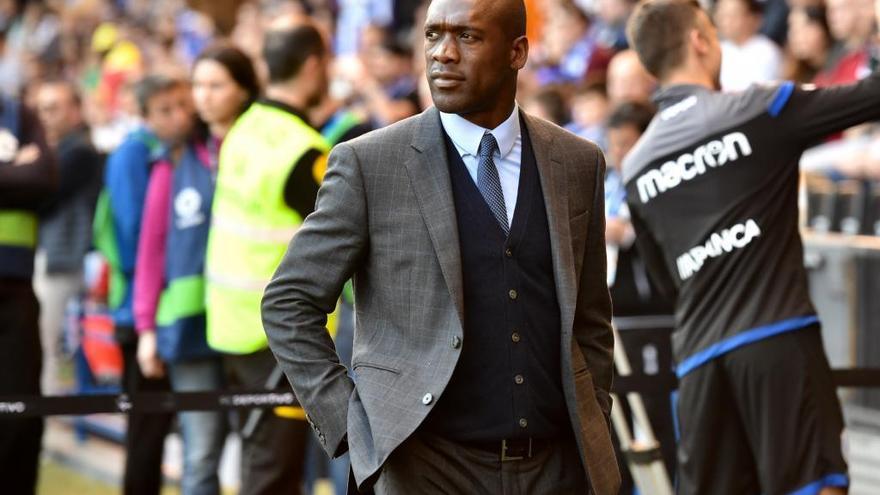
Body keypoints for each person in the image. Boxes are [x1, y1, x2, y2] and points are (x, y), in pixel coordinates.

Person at [261, 0, 620, 493]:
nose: (442, 54)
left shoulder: (578, 163)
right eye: (433, 36)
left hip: (556, 467)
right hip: (425, 469)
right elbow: (288, 301)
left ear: (517, 52)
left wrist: (594, 406)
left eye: (467, 37)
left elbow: (592, 319)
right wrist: (355, 427)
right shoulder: (369, 163)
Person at [623, 0, 880, 493]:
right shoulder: (759, 109)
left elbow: (666, 282)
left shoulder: (635, 167)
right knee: (815, 485)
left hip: (698, 366)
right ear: (700, 40)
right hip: (776, 339)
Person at [203, 23, 329, 495]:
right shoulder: (302, 149)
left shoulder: (244, 126)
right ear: (314, 65)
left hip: (232, 326)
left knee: (260, 465)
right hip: (280, 340)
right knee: (275, 474)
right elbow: (342, 244)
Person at [132, 44, 260, 495]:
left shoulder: (260, 146)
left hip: (252, 326)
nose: (200, 100)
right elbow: (152, 246)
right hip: (191, 327)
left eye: (212, 86)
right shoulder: (176, 159)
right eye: (197, 87)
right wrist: (146, 327)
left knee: (260, 451)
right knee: (201, 451)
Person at [96, 74, 192, 495]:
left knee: (158, 429)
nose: (178, 118)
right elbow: (136, 237)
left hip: (159, 308)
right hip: (138, 311)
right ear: (144, 113)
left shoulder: (168, 152)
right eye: (165, 111)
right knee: (146, 433)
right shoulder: (134, 155)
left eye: (180, 107)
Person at [0, 89, 55, 495]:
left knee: (22, 411)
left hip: (16, 289)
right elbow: (27, 178)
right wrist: (12, 169)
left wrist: (26, 173)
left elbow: (43, 177)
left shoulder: (17, 112)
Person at [33, 79, 103, 395]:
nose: (46, 116)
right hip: (45, 256)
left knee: (42, 344)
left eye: (54, 108)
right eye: (41, 109)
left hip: (62, 261)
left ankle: (39, 423)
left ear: (75, 111)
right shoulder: (49, 152)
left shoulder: (79, 152)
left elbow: (39, 195)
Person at [715, 0, 783, 91]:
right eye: (722, 15)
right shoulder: (718, 49)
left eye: (733, 15)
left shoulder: (766, 51)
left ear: (753, 18)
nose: (726, 21)